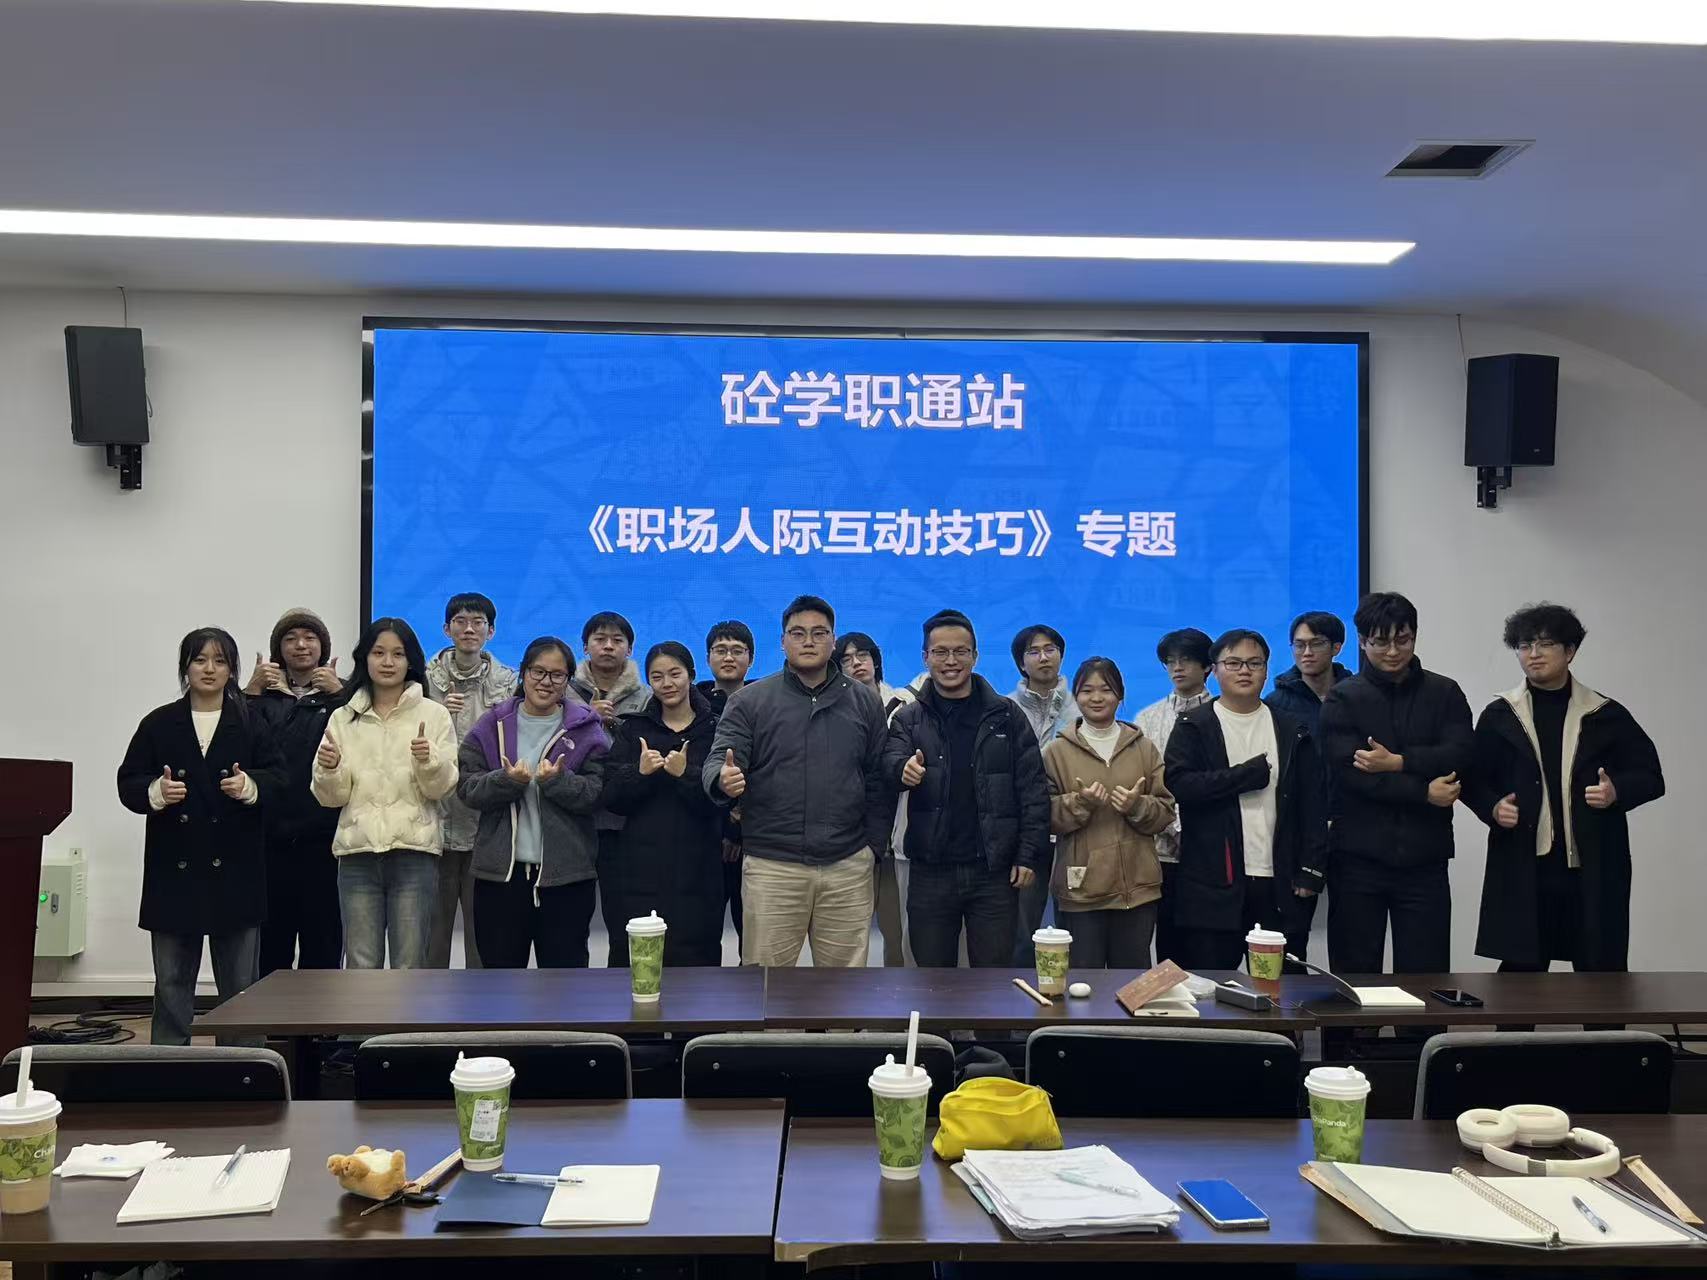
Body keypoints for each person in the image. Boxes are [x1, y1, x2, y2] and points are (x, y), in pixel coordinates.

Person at [1466, 604, 1664, 973]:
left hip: (1592, 865)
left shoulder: (1605, 713)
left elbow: (1651, 776)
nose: (1534, 654)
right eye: (1525, 646)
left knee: (1600, 975)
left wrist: (1616, 791)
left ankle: (1603, 1017)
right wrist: (1492, 807)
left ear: (1570, 651)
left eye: (1545, 644)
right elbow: (1472, 779)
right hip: (1525, 864)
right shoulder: (1500, 715)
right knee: (1520, 978)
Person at [117, 628, 286, 1045]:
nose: (209, 669)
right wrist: (156, 792)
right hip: (174, 871)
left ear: (232, 670)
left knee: (241, 986)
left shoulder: (251, 721)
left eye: (220, 661)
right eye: (200, 660)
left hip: (237, 871)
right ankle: (168, 1065)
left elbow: (281, 780)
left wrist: (250, 786)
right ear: (185, 668)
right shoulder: (159, 723)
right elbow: (128, 782)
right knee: (171, 983)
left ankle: (246, 1065)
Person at [704, 595, 890, 967]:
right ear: (783, 642)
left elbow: (877, 778)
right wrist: (722, 778)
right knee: (766, 985)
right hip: (773, 865)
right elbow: (719, 757)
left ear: (833, 641)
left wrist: (872, 847)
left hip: (848, 865)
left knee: (844, 988)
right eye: (798, 633)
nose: (808, 641)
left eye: (819, 633)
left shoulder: (864, 702)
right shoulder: (750, 701)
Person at [1318, 592, 1473, 977]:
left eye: (1402, 640)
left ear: (1414, 636)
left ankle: (1423, 1024)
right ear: (1362, 641)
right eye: (1380, 641)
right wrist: (1423, 791)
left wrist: (1399, 762)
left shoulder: (1444, 692)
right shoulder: (1343, 697)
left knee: (1426, 974)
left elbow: (1461, 755)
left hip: (1425, 858)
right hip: (1357, 859)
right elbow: (1351, 774)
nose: (1392, 651)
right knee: (1355, 973)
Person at [885, 612, 1049, 967]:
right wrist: (902, 769)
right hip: (930, 871)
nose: (951, 661)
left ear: (975, 656)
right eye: (940, 652)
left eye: (960, 652)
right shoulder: (909, 718)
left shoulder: (1007, 715)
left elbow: (1033, 790)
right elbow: (890, 761)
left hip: (993, 873)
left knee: (993, 980)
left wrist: (1026, 855)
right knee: (932, 980)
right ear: (925, 657)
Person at [1164, 630, 1326, 971]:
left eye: (1254, 663)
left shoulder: (1291, 728)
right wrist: (1244, 776)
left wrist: (1311, 870)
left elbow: (1312, 805)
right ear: (1214, 670)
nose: (1244, 671)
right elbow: (1180, 785)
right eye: (1233, 663)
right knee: (1210, 989)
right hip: (1213, 885)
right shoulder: (1194, 725)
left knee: (1282, 989)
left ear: (1266, 671)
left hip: (1280, 884)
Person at [311, 617, 458, 969]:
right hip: (357, 855)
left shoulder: (434, 715)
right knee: (361, 965)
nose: (388, 662)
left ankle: (406, 1014)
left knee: (409, 963)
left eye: (397, 654)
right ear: (365, 658)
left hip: (414, 855)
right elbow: (329, 798)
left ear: (411, 661)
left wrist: (428, 761)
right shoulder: (344, 717)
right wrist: (331, 769)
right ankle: (361, 1014)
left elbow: (442, 788)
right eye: (378, 653)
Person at [456, 637, 608, 968]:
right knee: (499, 981)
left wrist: (558, 782)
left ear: (568, 680)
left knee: (565, 982)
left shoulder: (586, 729)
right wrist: (507, 781)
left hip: (566, 879)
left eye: (557, 675)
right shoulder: (491, 725)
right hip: (500, 878)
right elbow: (467, 788)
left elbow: (598, 794)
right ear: (523, 673)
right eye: (538, 672)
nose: (546, 681)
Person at [1041, 657, 1175, 968]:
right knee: (1082, 984)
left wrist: (1136, 806)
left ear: (1120, 694)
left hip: (1137, 890)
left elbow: (1166, 811)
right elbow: (1042, 816)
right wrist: (1080, 803)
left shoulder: (1143, 748)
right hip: (1080, 890)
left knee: (1132, 983)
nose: (1097, 698)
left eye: (1106, 689)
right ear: (1076, 695)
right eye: (1087, 690)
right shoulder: (1055, 752)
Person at [604, 642, 725, 965]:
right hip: (639, 871)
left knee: (698, 966)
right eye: (657, 677)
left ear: (691, 675)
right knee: (637, 961)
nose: (667, 683)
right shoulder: (634, 729)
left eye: (675, 674)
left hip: (699, 871)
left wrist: (686, 774)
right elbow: (611, 798)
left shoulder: (714, 729)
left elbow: (722, 802)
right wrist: (640, 773)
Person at [244, 607, 344, 975]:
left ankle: (323, 1015)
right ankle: (270, 1013)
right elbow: (236, 742)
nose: (301, 645)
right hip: (269, 839)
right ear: (278, 649)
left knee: (324, 942)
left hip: (324, 839)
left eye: (309, 637)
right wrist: (251, 692)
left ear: (323, 647)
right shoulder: (259, 697)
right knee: (271, 945)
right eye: (291, 638)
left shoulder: (343, 695)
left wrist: (342, 694)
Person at [424, 592, 517, 970]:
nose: (469, 629)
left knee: (484, 932)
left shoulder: (509, 682)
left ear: (491, 631)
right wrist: (436, 712)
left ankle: (481, 1005)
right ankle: (427, 1005)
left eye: (478, 622)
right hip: (434, 818)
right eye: (460, 621)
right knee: (433, 934)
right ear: (446, 629)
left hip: (485, 822)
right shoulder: (423, 680)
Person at [1264, 610, 1352, 965]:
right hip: (1298, 834)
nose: (1306, 652)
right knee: (1291, 938)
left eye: (1316, 644)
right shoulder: (1276, 703)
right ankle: (1290, 1004)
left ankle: (1346, 1002)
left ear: (1337, 647)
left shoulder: (1358, 696)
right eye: (1298, 645)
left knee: (1352, 934)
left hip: (1351, 827)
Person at [572, 611, 652, 964]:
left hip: (624, 825)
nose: (608, 646)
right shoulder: (563, 692)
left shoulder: (647, 697)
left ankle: (623, 992)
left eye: (617, 640)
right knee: (570, 923)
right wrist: (585, 718)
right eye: (600, 639)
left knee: (624, 921)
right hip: (574, 821)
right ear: (585, 646)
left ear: (630, 649)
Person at [1134, 627, 1214, 964]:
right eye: (1171, 661)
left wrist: (1192, 832)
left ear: (1208, 666)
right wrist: (1174, 828)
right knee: (1167, 946)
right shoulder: (1147, 718)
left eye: (1186, 660)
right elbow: (1144, 782)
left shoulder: (1223, 713)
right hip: (1161, 851)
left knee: (1208, 946)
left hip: (1210, 849)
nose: (1177, 668)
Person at [1007, 623, 1073, 967]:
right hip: (1024, 834)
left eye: (1050, 649)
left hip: (1073, 831)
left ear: (1061, 655)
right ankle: (1014, 999)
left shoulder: (1083, 704)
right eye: (1033, 652)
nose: (1043, 657)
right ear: (1021, 663)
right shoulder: (1004, 708)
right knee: (1020, 930)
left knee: (1073, 926)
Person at [842, 631, 908, 967]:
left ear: (876, 661)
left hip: (897, 838)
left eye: (863, 655)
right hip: (851, 839)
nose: (856, 663)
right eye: (846, 659)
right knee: (847, 937)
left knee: (898, 933)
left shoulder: (905, 706)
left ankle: (896, 1001)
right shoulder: (836, 711)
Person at [698, 619, 756, 948]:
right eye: (720, 650)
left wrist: (736, 827)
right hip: (703, 838)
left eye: (737, 650)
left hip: (753, 838)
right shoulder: (692, 704)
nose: (729, 657)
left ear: (751, 658)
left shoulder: (765, 702)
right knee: (703, 936)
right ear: (708, 657)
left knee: (753, 937)